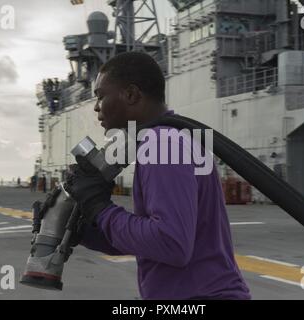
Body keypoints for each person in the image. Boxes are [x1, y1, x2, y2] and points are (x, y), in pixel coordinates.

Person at [64, 52, 250, 300]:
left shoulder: (163, 144)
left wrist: (100, 210)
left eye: (100, 96)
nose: (97, 107)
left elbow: (171, 243)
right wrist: (87, 232)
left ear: (131, 95)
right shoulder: (170, 138)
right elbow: (156, 243)